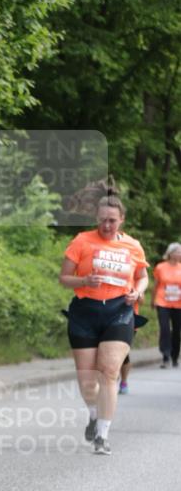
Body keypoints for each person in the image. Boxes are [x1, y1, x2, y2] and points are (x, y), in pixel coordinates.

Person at [59, 195, 148, 455]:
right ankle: (93, 414)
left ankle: (102, 436)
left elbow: (142, 276)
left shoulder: (133, 246)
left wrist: (138, 292)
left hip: (119, 311)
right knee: (87, 380)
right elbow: (64, 278)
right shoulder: (82, 241)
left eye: (112, 220)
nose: (107, 225)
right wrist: (84, 280)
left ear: (122, 220)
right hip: (85, 312)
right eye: (102, 220)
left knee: (109, 371)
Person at [152, 242, 181, 368]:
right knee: (164, 329)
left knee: (177, 330)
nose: (180, 254)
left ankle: (175, 356)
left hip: (178, 303)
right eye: (178, 252)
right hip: (162, 301)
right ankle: (166, 356)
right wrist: (152, 300)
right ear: (170, 253)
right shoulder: (160, 267)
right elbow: (156, 285)